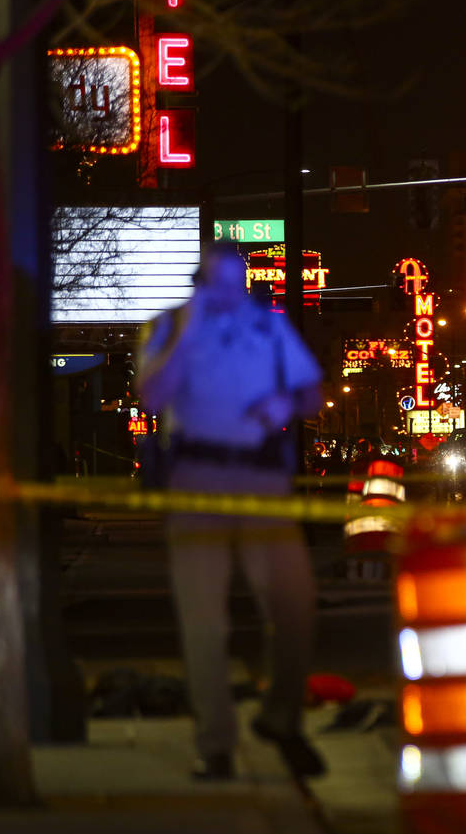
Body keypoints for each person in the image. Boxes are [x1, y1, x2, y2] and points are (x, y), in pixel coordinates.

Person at [137, 242, 325, 780]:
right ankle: (215, 743)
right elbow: (151, 396)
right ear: (198, 283)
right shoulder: (171, 325)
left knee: (294, 604)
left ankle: (281, 719)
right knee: (203, 620)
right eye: (216, 282)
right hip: (197, 477)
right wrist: (191, 328)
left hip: (262, 478)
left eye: (235, 281)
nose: (228, 293)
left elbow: (310, 389)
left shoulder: (267, 323)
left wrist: (286, 403)